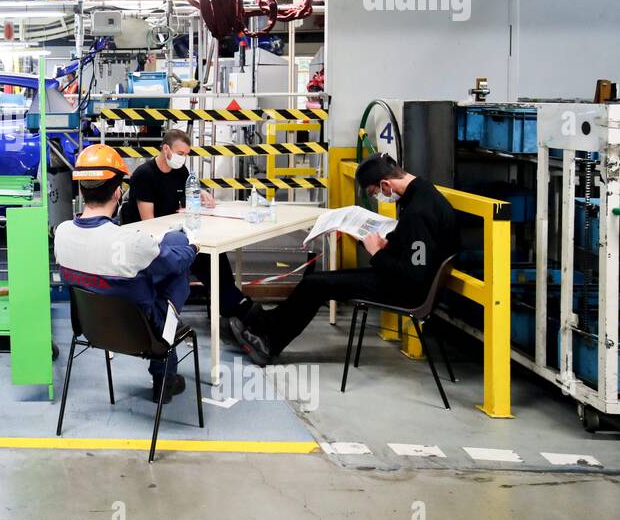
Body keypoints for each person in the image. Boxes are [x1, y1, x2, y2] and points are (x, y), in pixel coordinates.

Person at [230, 152, 459, 365]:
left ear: (385, 184)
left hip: (408, 291)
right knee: (317, 280)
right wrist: (391, 244)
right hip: (397, 276)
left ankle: (269, 343)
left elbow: (414, 275)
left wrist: (377, 253)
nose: (379, 197)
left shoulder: (418, 213)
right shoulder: (423, 192)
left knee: (314, 285)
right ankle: (267, 326)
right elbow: (415, 251)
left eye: (374, 192)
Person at [54, 144, 199, 402]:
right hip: (144, 335)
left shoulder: (62, 234)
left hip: (95, 331)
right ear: (118, 192)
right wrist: (193, 247)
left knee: (143, 275)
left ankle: (163, 374)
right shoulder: (131, 242)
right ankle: (164, 375)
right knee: (178, 266)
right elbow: (175, 264)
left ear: (80, 189)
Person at [121, 128, 255, 323]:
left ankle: (232, 304)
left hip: (173, 233)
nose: (182, 158)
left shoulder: (180, 171)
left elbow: (186, 199)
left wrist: (200, 194)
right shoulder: (145, 175)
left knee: (216, 256)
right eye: (180, 154)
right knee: (200, 256)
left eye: (186, 154)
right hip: (151, 240)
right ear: (166, 149)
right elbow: (148, 223)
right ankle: (236, 307)